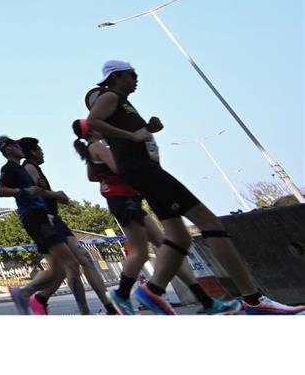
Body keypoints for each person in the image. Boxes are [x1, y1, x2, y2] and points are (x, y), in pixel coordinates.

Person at [85, 60, 304, 315]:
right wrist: (135, 136)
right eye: (132, 74)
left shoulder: (124, 102)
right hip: (143, 172)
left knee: (179, 236)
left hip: (145, 171)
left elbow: (136, 138)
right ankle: (253, 299)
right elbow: (93, 122)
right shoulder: (110, 96)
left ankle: (152, 291)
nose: (137, 78)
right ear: (117, 76)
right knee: (211, 224)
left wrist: (148, 129)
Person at [71, 118, 240, 315]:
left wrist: (106, 174)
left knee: (169, 248)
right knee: (141, 252)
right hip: (123, 200)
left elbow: (92, 176)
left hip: (126, 200)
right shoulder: (98, 145)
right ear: (92, 130)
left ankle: (205, 300)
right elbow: (119, 168)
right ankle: (122, 295)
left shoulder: (92, 151)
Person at [17, 139, 117, 315]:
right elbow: (34, 193)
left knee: (71, 266)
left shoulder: (34, 168)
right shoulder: (29, 168)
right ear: (33, 152)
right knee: (75, 264)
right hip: (46, 220)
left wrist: (56, 197)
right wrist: (56, 194)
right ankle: (30, 295)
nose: (42, 152)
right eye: (39, 149)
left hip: (54, 219)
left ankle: (40, 299)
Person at [0, 135, 75, 315]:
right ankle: (27, 294)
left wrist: (39, 188)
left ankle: (24, 293)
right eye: (16, 145)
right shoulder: (9, 168)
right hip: (35, 220)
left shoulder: (20, 169)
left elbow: (35, 192)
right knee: (72, 263)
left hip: (40, 218)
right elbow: (0, 191)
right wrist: (25, 191)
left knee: (59, 270)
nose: (20, 148)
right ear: (8, 149)